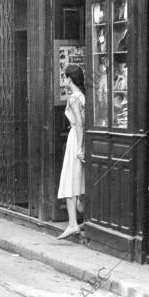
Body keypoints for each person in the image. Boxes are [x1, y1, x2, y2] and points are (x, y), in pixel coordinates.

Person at [57, 65, 86, 240]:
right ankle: (80, 221)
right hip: (79, 138)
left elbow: (79, 123)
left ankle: (72, 224)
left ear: (69, 79)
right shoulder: (82, 96)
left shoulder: (74, 98)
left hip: (76, 138)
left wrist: (80, 146)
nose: (64, 81)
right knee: (79, 179)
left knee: (70, 179)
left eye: (65, 78)